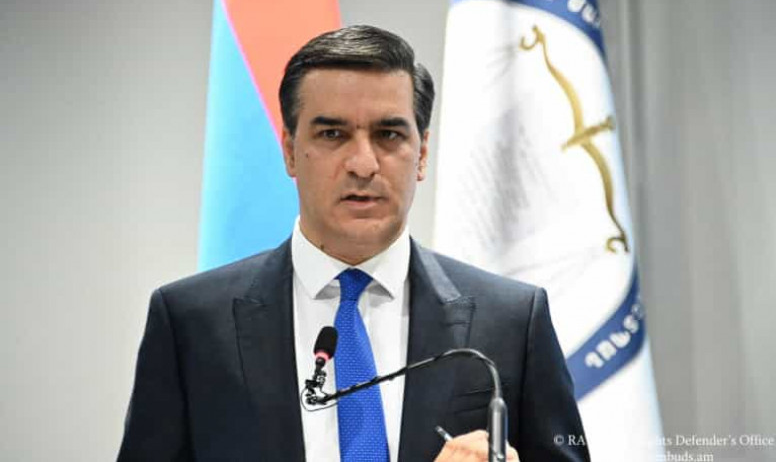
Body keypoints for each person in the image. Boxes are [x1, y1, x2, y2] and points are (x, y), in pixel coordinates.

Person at [118, 25, 589, 461]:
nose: (363, 164)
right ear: (289, 151)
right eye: (332, 134)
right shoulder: (191, 323)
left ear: (422, 154)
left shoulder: (511, 321)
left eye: (388, 135)